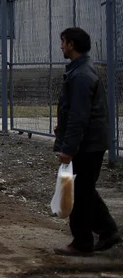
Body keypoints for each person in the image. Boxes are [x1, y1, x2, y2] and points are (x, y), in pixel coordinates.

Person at [52, 27, 119, 256]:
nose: (61, 46)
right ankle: (108, 230)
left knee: (79, 194)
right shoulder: (79, 71)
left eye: (63, 42)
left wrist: (68, 149)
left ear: (72, 45)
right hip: (91, 142)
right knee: (85, 189)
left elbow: (80, 116)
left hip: (87, 144)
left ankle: (82, 242)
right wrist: (62, 127)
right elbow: (75, 112)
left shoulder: (81, 75)